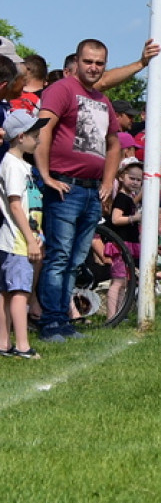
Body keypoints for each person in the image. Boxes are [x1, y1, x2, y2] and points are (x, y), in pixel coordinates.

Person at [35, 39, 124, 343]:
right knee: (59, 257)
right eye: (89, 61)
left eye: (100, 63)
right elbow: (44, 128)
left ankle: (64, 321)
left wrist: (107, 183)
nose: (94, 68)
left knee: (75, 260)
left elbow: (114, 144)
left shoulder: (102, 100)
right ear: (78, 61)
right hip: (65, 186)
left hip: (90, 191)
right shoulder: (62, 89)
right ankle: (51, 323)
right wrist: (45, 173)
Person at [0, 111, 47, 359]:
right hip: (18, 241)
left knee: (8, 292)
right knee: (20, 291)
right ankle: (22, 345)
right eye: (35, 135)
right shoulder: (13, 166)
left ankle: (4, 343)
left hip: (20, 238)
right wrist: (30, 239)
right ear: (21, 137)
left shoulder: (19, 165)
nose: (38, 141)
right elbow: (16, 204)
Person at [106, 160, 143, 319]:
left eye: (138, 180)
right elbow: (115, 219)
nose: (135, 182)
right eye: (132, 178)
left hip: (128, 243)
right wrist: (134, 218)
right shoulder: (121, 198)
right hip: (120, 243)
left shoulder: (129, 198)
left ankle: (120, 314)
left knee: (125, 282)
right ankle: (111, 316)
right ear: (121, 177)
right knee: (118, 282)